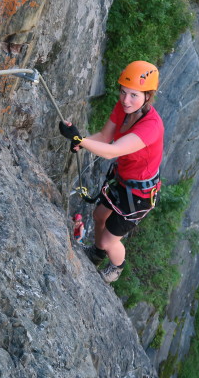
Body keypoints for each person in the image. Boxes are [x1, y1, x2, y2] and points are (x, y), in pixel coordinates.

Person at [58, 60, 164, 283]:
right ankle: (96, 254)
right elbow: (105, 137)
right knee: (98, 217)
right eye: (123, 92)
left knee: (109, 241)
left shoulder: (151, 126)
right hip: (122, 181)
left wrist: (81, 140)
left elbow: (111, 151)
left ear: (148, 95)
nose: (126, 100)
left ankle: (116, 268)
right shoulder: (124, 109)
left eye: (134, 95)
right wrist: (82, 140)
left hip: (139, 196)